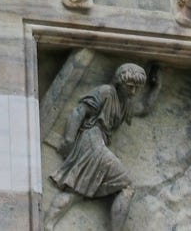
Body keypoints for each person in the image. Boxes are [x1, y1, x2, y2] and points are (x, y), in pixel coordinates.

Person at [47, 62, 159, 229]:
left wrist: (157, 87)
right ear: (119, 82)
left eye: (137, 88)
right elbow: (79, 111)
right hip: (92, 142)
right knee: (126, 186)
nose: (133, 92)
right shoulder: (106, 92)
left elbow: (144, 107)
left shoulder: (125, 103)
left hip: (97, 144)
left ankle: (46, 224)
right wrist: (69, 140)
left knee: (74, 192)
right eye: (130, 86)